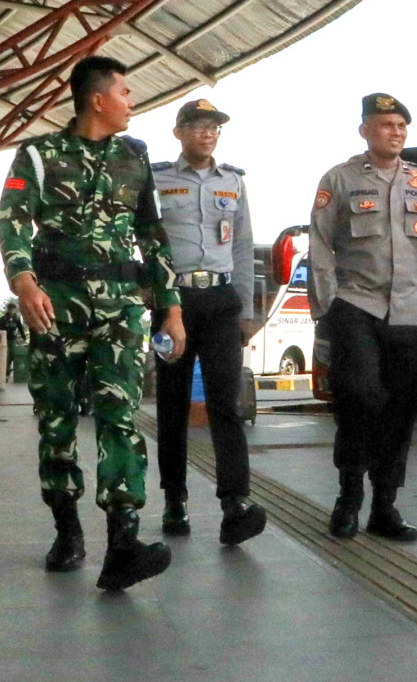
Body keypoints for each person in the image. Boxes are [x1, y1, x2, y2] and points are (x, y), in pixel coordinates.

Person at [0, 55, 186, 591]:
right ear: (97, 99)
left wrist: (170, 306)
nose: (132, 101)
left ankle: (122, 543)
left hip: (121, 310)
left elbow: (151, 233)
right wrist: (24, 282)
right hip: (54, 306)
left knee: (120, 418)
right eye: (125, 91)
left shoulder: (135, 156)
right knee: (56, 422)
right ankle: (67, 530)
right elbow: (11, 219)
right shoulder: (38, 153)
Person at [308, 93, 417, 542]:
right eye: (385, 125)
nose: (395, 133)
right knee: (359, 397)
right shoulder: (338, 179)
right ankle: (348, 498)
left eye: (401, 126)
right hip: (356, 305)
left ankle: (384, 506)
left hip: (408, 312)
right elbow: (319, 245)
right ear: (365, 130)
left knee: (400, 408)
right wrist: (326, 306)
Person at [150, 98, 266, 545]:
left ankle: (234, 502)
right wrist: (154, 294)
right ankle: (174, 499)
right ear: (178, 132)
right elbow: (146, 239)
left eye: (214, 127)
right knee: (172, 405)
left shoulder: (233, 182)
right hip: (171, 302)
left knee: (226, 402)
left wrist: (246, 310)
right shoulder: (157, 178)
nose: (207, 133)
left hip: (219, 301)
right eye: (198, 125)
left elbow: (243, 245)